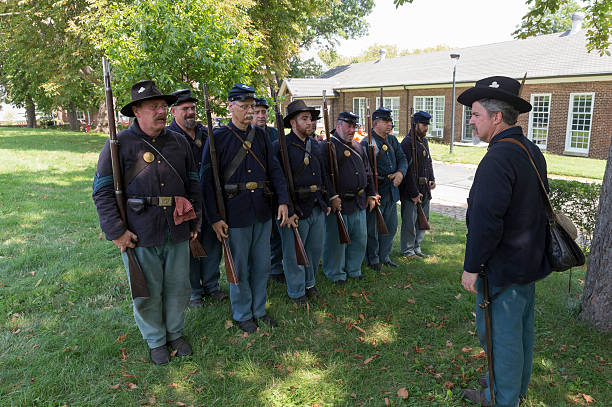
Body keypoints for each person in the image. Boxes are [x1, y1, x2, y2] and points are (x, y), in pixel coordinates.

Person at [457, 76, 551, 407]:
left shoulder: (498, 158)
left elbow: (485, 222)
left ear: (497, 117)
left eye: (476, 113)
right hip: (527, 262)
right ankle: (513, 387)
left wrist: (472, 267)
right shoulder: (529, 149)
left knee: (502, 337)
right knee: (520, 333)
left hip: (504, 268)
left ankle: (502, 398)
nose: (470, 119)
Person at [92, 80, 201, 365]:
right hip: (140, 230)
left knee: (179, 287)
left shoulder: (179, 142)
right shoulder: (119, 145)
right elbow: (102, 190)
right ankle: (155, 339)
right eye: (153, 106)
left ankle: (175, 333)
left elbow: (193, 184)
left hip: (177, 226)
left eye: (163, 106)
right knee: (146, 290)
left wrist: (195, 221)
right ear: (137, 111)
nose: (161, 111)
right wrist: (116, 231)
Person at [200, 83, 290, 334]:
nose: (250, 111)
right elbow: (207, 180)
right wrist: (215, 218)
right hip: (234, 212)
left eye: (252, 106)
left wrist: (282, 200)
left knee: (261, 264)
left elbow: (275, 170)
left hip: (261, 208)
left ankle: (259, 309)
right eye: (244, 106)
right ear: (230, 106)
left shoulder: (261, 135)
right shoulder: (217, 137)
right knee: (238, 266)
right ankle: (242, 313)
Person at [167, 89, 227, 306]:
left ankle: (212, 286)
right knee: (190, 247)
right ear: (173, 111)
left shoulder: (205, 133)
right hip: (185, 202)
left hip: (209, 198)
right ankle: (194, 292)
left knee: (212, 244)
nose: (191, 112)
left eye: (193, 108)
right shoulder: (168, 138)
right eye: (185, 109)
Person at [273, 100, 330, 304]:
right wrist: (288, 209)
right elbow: (277, 181)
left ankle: (310, 284)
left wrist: (327, 199)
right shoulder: (280, 146)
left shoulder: (314, 144)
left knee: (314, 251)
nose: (310, 123)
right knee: (294, 254)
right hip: (295, 208)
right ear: (293, 123)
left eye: (311, 119)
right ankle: (296, 292)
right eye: (304, 119)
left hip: (316, 204)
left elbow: (323, 175)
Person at [322, 111, 377, 284]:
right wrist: (332, 196)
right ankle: (335, 273)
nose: (352, 130)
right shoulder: (327, 146)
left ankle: (354, 269)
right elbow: (324, 175)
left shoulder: (358, 146)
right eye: (348, 126)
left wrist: (371, 194)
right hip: (340, 202)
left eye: (354, 126)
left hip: (359, 201)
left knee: (359, 239)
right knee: (336, 242)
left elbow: (368, 172)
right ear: (338, 125)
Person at [361, 107, 407, 270]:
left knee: (391, 225)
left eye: (390, 121)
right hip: (376, 191)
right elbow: (364, 171)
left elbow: (402, 158)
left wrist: (400, 173)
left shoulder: (392, 141)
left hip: (391, 190)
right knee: (373, 228)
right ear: (375, 123)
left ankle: (384, 256)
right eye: (386, 121)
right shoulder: (367, 143)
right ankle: (372, 259)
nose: (390, 124)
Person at [252, 96, 284, 284]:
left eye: (263, 112)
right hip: (260, 189)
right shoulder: (249, 134)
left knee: (278, 231)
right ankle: (267, 267)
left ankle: (276, 266)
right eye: (257, 112)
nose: (261, 116)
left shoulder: (275, 133)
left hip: (276, 186)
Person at [399, 111, 435, 258]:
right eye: (423, 125)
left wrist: (431, 178)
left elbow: (429, 162)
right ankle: (408, 250)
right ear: (415, 125)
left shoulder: (423, 141)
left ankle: (416, 247)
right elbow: (407, 171)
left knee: (422, 219)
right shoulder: (407, 143)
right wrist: (413, 193)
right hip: (411, 190)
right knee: (410, 222)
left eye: (427, 125)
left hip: (424, 187)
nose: (426, 128)